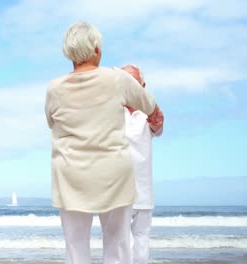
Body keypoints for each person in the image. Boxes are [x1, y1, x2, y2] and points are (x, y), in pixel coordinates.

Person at [45, 22, 161, 264]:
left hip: (71, 177)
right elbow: (149, 105)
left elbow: (51, 122)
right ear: (96, 49)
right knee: (117, 246)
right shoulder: (117, 79)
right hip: (113, 177)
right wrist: (154, 115)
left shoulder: (54, 89)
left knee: (76, 249)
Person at [121, 65, 164, 264]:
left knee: (141, 243)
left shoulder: (148, 113)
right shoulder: (112, 111)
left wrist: (155, 119)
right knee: (120, 244)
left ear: (142, 85)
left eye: (133, 81)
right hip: (118, 190)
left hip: (144, 190)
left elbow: (158, 125)